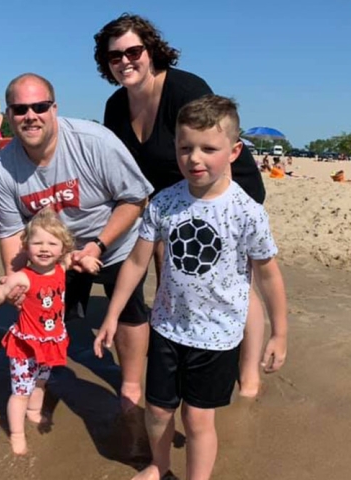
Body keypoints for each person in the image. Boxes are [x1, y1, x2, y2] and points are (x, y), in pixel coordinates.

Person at [94, 95, 288, 480]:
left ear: (233, 152)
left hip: (217, 337)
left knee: (197, 419)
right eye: (185, 148)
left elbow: (268, 275)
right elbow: (135, 262)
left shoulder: (247, 211)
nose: (194, 158)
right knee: (159, 410)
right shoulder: (164, 203)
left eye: (208, 149)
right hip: (167, 327)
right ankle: (158, 465)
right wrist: (112, 315)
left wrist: (280, 333)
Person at [94, 13, 268, 397]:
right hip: (169, 201)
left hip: (226, 189)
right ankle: (180, 349)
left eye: (133, 51)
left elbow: (213, 142)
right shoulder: (114, 107)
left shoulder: (185, 89)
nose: (125, 61)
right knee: (172, 276)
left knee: (235, 282)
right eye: (114, 56)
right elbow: (118, 169)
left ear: (151, 50)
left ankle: (249, 369)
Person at [0, 73, 154, 412]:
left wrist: (98, 246)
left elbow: (136, 199)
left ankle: (131, 385)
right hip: (52, 255)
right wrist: (17, 282)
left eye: (39, 106)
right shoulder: (1, 169)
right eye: (20, 109)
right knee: (46, 312)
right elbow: (10, 233)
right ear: (9, 115)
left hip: (113, 243)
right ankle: (38, 381)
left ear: (54, 108)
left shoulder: (94, 142)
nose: (30, 115)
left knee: (129, 311)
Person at [0, 208, 101, 455]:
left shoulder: (61, 266)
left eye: (52, 243)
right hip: (25, 346)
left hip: (51, 342)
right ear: (26, 247)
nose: (44, 248)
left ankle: (35, 412)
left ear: (62, 248)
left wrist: (87, 259)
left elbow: (76, 257)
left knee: (41, 381)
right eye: (37, 242)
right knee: (20, 392)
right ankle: (16, 434)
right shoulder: (22, 278)